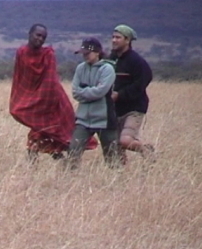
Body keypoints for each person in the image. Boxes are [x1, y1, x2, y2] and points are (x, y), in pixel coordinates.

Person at [9, 24, 97, 164]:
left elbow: (50, 81)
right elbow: (20, 78)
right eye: (38, 35)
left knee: (55, 134)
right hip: (33, 100)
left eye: (43, 37)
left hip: (52, 100)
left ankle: (65, 164)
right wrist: (22, 99)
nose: (40, 39)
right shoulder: (22, 52)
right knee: (42, 133)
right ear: (29, 34)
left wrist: (43, 99)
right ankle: (62, 164)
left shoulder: (48, 54)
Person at [65, 37, 119, 170]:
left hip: (104, 119)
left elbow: (101, 91)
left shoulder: (108, 69)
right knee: (73, 151)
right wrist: (90, 92)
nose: (84, 56)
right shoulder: (80, 68)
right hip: (83, 119)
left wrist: (84, 93)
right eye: (83, 54)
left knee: (112, 156)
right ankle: (70, 180)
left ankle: (117, 182)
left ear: (97, 52)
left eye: (87, 53)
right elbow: (75, 92)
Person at [108, 24, 155, 165]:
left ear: (127, 40)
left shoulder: (136, 61)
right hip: (115, 109)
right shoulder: (111, 58)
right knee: (115, 146)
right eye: (113, 37)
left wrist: (120, 94)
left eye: (118, 37)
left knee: (125, 140)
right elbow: (93, 50)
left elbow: (143, 81)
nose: (114, 40)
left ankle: (146, 150)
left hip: (134, 108)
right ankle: (121, 176)